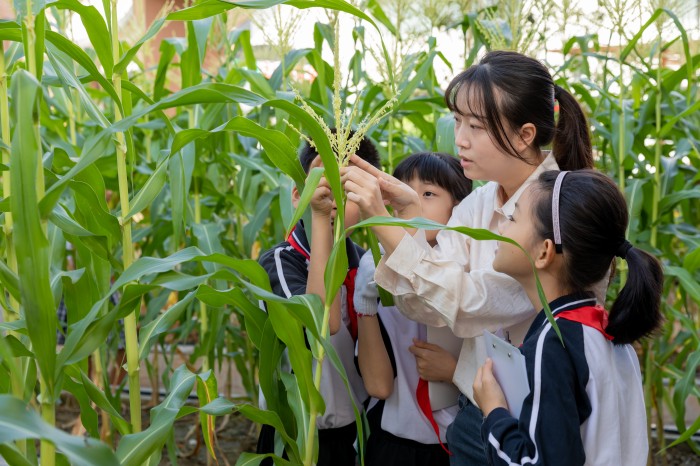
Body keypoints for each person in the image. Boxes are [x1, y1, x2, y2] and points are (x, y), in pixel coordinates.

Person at [340, 50, 595, 464]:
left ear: (524, 135)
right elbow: (425, 306)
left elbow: (471, 304)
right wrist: (406, 215)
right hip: (476, 415)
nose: (459, 138)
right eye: (458, 121)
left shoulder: (557, 213)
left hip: (536, 424)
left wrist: (381, 220)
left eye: (475, 126)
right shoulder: (477, 205)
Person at [472, 169, 663, 465]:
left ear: (544, 252)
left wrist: (494, 412)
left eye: (512, 218)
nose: (499, 228)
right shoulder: (608, 331)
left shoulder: (554, 341)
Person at [255, 132, 381, 466]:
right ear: (299, 196)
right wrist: (321, 218)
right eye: (324, 182)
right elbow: (318, 327)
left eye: (348, 188)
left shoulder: (369, 266)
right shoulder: (280, 262)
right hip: (293, 434)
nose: (335, 197)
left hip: (355, 434)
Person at [354, 152, 472, 466]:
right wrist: (364, 305)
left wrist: (453, 371)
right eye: (401, 193)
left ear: (459, 208)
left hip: (459, 445)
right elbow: (378, 386)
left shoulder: (475, 284)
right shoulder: (380, 274)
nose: (412, 203)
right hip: (393, 446)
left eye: (428, 194)